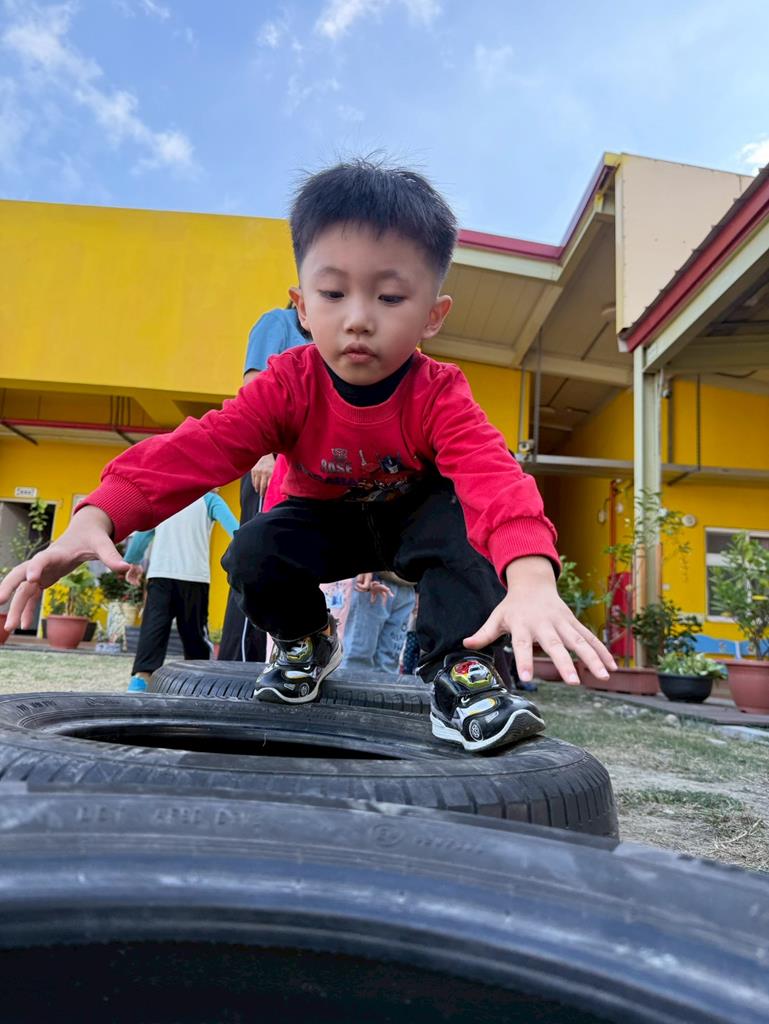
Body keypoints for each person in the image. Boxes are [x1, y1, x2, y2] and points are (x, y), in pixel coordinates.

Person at [0, 158, 616, 754]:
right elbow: (201, 447)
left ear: (433, 315)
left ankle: (461, 671)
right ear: (301, 306)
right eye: (333, 293)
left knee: (467, 522)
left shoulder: (440, 393)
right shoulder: (287, 384)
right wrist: (97, 515)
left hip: (416, 520)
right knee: (252, 551)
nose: (358, 319)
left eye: (389, 298)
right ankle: (306, 638)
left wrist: (531, 578)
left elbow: (493, 476)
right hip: (325, 523)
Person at [218, 306, 309, 662]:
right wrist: (262, 454)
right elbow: (255, 389)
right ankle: (239, 661)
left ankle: (279, 658)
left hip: (301, 473)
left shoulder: (326, 336)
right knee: (256, 560)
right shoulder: (278, 323)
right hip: (269, 464)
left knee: (288, 566)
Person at [123, 492, 238, 691]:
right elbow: (236, 531)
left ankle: (141, 679)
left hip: (161, 575)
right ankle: (200, 681)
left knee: (153, 629)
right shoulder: (210, 500)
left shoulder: (162, 497)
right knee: (195, 634)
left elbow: (142, 534)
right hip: (195, 578)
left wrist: (131, 561)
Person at [340, 571, 416, 674]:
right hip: (373, 580)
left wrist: (419, 588)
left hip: (407, 583)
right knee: (357, 658)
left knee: (389, 663)